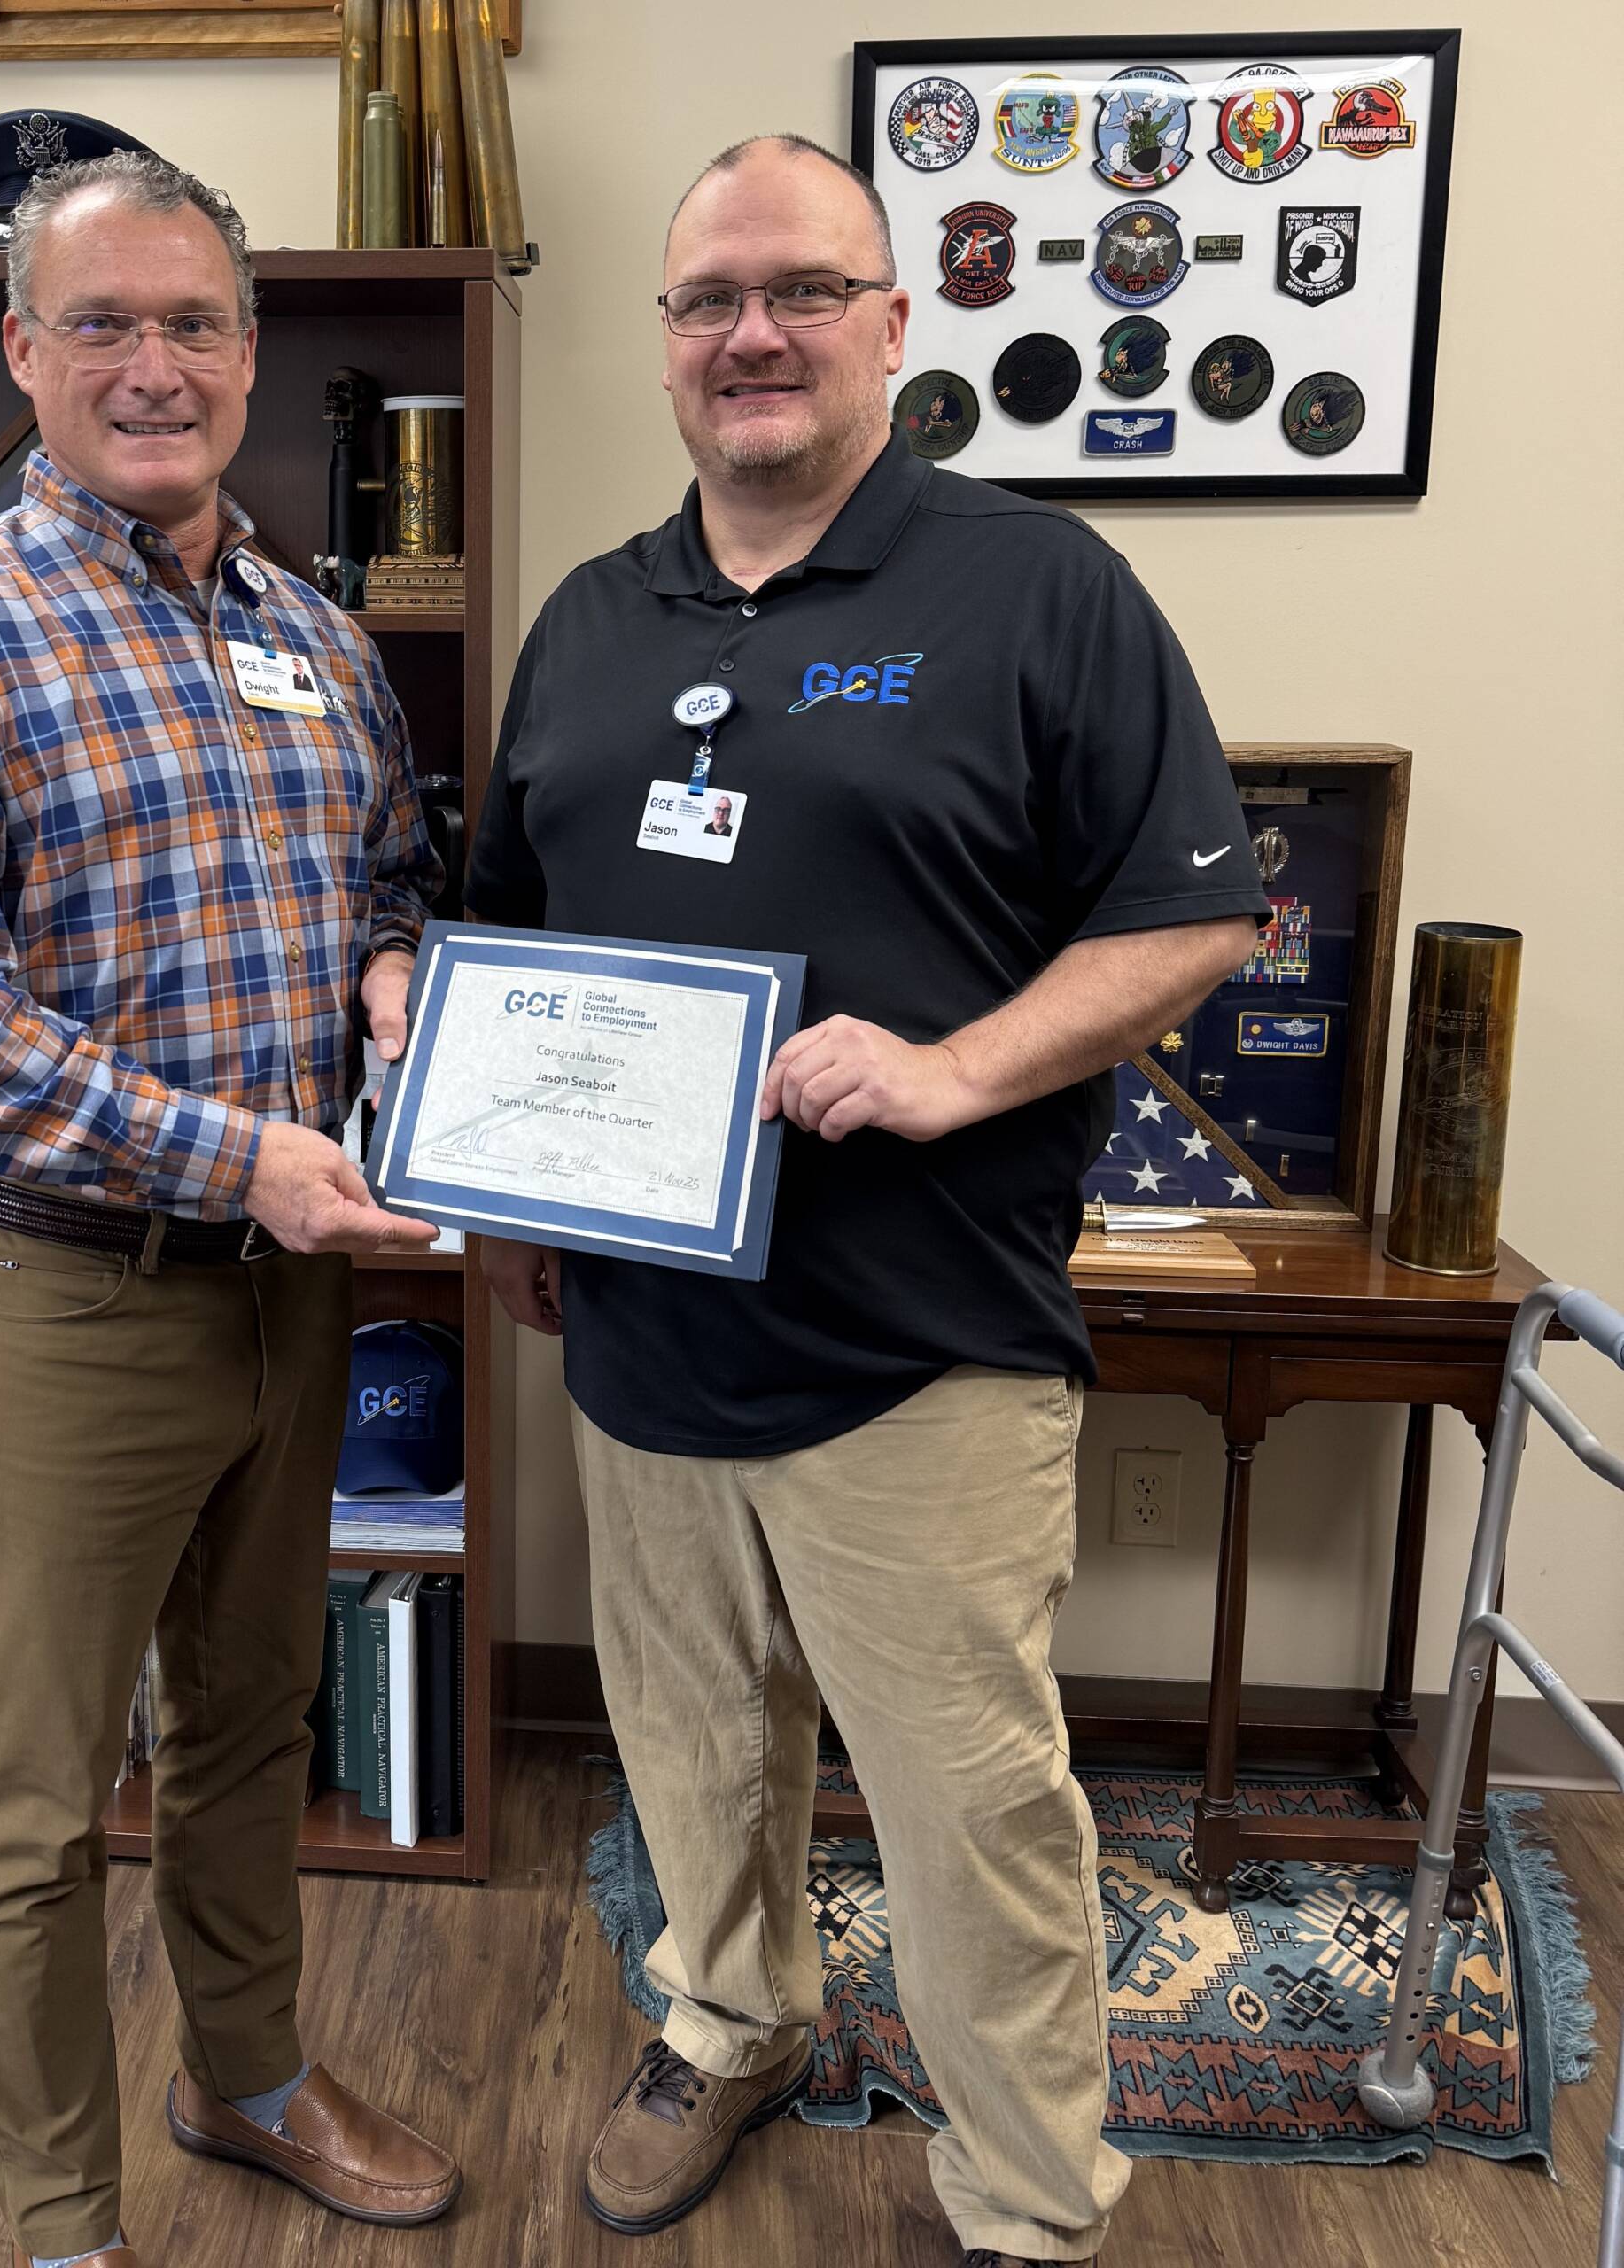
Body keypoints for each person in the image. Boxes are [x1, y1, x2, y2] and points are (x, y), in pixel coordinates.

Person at [466, 135, 1268, 2267]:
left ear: (890, 325)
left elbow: (1192, 912)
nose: (751, 330)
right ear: (662, 345)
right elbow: (508, 931)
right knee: (692, 1753)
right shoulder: (589, 619)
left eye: (801, 289)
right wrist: (520, 1187)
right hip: (640, 1330)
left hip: (916, 1340)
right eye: (708, 296)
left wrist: (950, 1066)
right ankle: (727, 2019)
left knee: (970, 1808)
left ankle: (1022, 2197)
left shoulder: (1032, 585)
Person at [0, 150, 461, 2268]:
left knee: (251, 1723)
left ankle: (245, 2075)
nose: (152, 367)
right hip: (66, 1300)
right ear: (22, 349)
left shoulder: (316, 634)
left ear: (249, 358)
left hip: (284, 1297)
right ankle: (67, 2221)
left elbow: (382, 873)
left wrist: (383, 960)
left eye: (192, 324)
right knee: (28, 1801)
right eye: (101, 323)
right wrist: (233, 1152)